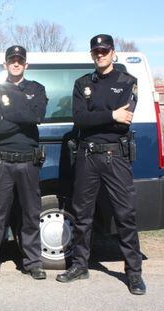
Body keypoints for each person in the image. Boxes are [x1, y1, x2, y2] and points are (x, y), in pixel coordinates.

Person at [56, 34, 146, 295]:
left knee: (125, 215)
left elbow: (124, 119)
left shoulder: (127, 81)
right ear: (92, 54)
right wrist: (110, 114)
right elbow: (80, 119)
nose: (100, 55)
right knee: (82, 215)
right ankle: (79, 266)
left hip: (115, 156)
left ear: (113, 52)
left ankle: (134, 273)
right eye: (96, 51)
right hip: (87, 156)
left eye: (104, 50)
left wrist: (100, 117)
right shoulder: (82, 83)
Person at [0, 45, 47, 280]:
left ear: (26, 64)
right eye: (12, 60)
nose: (16, 63)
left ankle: (33, 262)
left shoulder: (37, 89)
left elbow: (37, 116)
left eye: (20, 60)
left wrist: (8, 114)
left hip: (28, 162)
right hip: (2, 162)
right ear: (5, 64)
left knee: (30, 214)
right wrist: (24, 118)